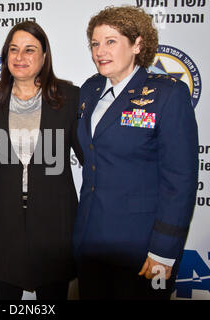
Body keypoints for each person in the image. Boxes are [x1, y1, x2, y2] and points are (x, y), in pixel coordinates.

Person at [72, 6, 198, 299]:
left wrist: (163, 252)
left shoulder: (168, 94)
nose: (100, 51)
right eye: (95, 43)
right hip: (90, 242)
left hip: (142, 249)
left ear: (137, 44)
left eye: (111, 41)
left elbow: (180, 180)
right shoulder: (89, 90)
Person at [0, 21, 83, 300]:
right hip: (4, 224)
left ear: (45, 56)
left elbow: (90, 158)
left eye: (29, 50)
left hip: (55, 224)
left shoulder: (69, 98)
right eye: (13, 49)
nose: (20, 57)